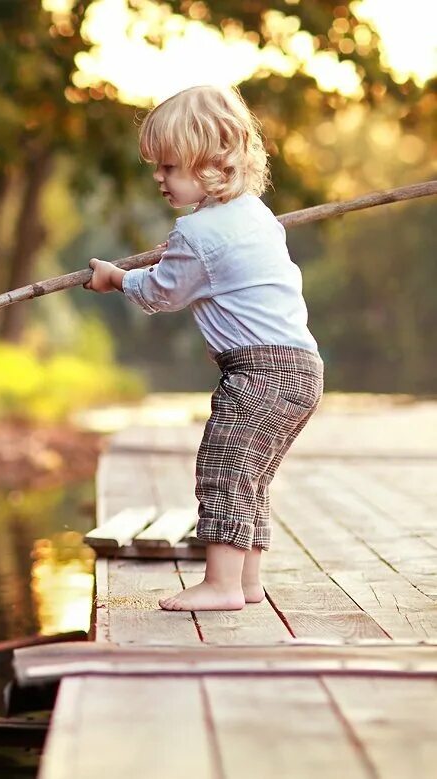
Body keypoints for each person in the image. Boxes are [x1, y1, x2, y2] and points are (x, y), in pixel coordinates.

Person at [84, 84, 323, 612]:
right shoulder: (254, 215)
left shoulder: (199, 235)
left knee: (225, 468)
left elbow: (161, 293)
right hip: (300, 367)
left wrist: (116, 279)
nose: (159, 178)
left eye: (169, 167)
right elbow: (194, 271)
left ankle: (220, 586)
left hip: (259, 371)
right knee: (251, 476)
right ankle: (246, 582)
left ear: (210, 163)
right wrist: (167, 258)